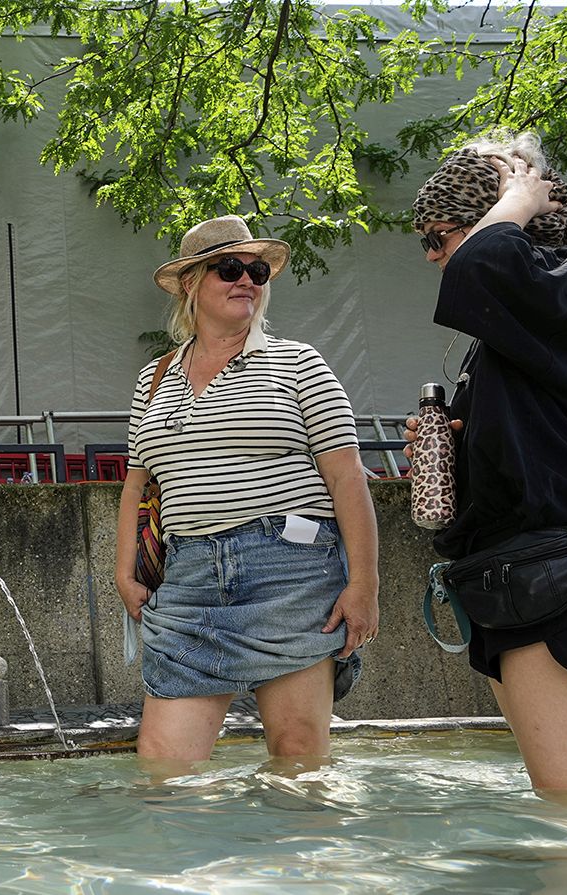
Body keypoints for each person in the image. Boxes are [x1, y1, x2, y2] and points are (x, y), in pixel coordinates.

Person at [406, 131, 567, 794]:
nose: (434, 258)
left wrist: (517, 194)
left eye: (439, 236)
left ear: (496, 219)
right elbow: (530, 453)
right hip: (525, 579)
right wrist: (454, 452)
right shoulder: (527, 319)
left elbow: (478, 269)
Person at [114, 215, 380, 769]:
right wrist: (125, 572)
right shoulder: (153, 379)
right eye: (229, 268)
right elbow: (138, 481)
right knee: (164, 766)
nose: (247, 280)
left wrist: (365, 585)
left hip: (291, 570)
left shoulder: (301, 362)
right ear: (190, 283)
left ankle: (292, 859)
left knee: (299, 759)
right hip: (187, 578)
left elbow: (347, 478)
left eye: (257, 270)